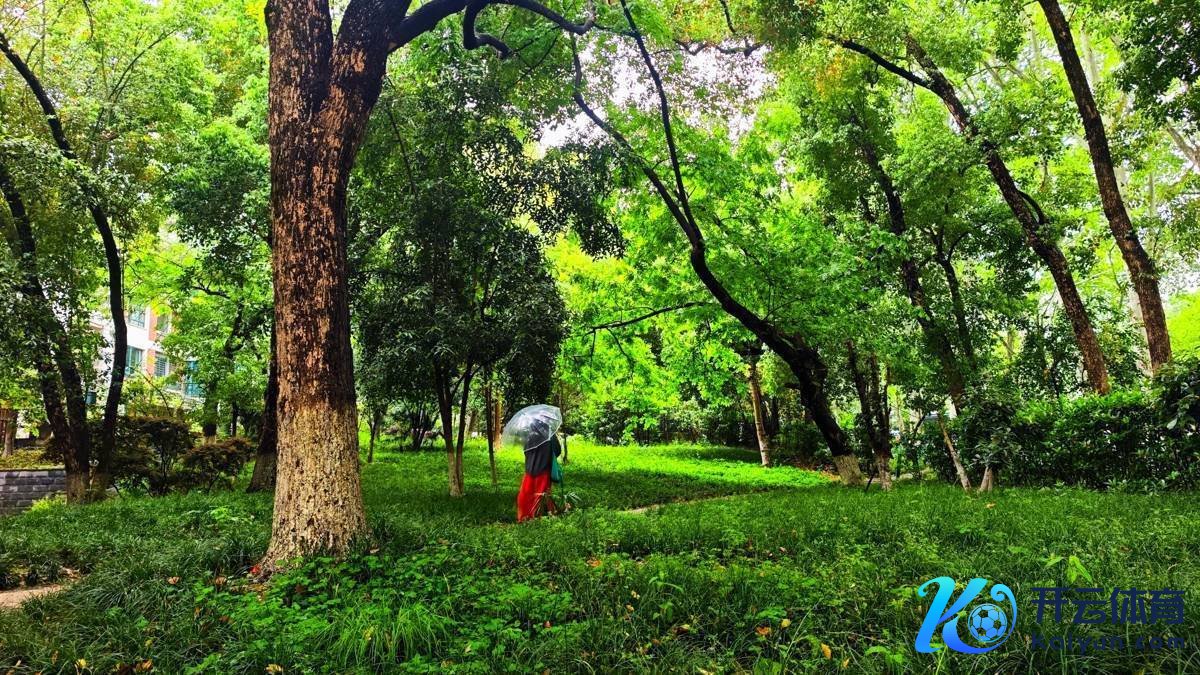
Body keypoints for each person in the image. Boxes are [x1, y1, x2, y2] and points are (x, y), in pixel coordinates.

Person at [516, 420, 562, 522]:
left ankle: (524, 516)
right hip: (543, 470)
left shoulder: (529, 436)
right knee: (542, 493)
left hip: (529, 470)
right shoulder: (549, 435)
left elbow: (526, 452)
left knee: (527, 493)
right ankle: (538, 516)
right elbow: (558, 451)